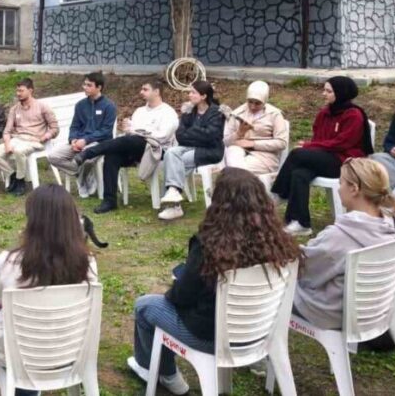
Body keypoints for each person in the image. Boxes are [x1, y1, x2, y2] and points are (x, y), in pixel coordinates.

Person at [126, 168, 301, 395]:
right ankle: (160, 371)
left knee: (145, 305)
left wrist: (178, 285)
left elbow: (182, 296)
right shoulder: (279, 245)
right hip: (261, 331)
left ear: (220, 204)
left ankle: (165, 374)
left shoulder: (209, 245)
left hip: (213, 337)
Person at [0, 185, 97, 395]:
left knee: (1, 303)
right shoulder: (88, 264)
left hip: (19, 352)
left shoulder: (8, 262)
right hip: (70, 351)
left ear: (32, 221)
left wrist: (3, 301)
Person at [293, 158, 395, 329]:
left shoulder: (340, 236)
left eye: (341, 183)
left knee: (274, 285)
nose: (339, 189)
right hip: (376, 310)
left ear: (354, 189)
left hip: (332, 313)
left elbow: (303, 271)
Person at [271, 77, 373, 236]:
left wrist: (309, 147)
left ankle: (280, 193)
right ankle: (301, 223)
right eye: (324, 90)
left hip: (344, 162)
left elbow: (342, 143)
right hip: (325, 158)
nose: (323, 94)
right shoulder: (324, 113)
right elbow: (318, 139)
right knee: (299, 174)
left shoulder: (354, 115)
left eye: (328, 91)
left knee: (297, 153)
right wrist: (312, 147)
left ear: (341, 93)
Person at [76, 79, 176, 215]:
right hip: (135, 148)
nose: (141, 92)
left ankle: (88, 153)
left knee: (132, 140)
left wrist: (138, 131)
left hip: (157, 150)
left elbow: (162, 136)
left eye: (145, 89)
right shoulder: (140, 111)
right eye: (141, 89)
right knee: (112, 155)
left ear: (157, 92)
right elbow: (131, 132)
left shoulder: (168, 112)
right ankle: (109, 200)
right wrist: (129, 129)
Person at [159, 80, 225, 221]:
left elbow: (210, 136)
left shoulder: (216, 112)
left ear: (203, 96)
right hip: (190, 146)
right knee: (170, 153)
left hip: (210, 150)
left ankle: (174, 205)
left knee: (175, 162)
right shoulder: (189, 110)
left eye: (193, 92)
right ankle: (173, 194)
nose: (189, 95)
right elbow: (180, 135)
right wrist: (198, 133)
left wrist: (192, 131)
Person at [47, 72, 117, 200]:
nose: (85, 87)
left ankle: (82, 180)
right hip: (78, 142)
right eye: (84, 84)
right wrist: (73, 139)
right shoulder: (80, 105)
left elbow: (106, 131)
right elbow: (74, 126)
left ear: (99, 87)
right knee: (53, 156)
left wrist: (86, 140)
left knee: (88, 159)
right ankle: (81, 174)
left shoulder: (109, 106)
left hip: (99, 143)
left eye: (89, 85)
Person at [0, 78, 60, 196]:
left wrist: (47, 135)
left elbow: (55, 128)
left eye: (21, 91)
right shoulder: (14, 109)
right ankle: (13, 175)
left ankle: (20, 180)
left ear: (30, 90)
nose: (18, 94)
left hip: (35, 140)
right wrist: (7, 144)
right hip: (17, 139)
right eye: (17, 91)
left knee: (18, 151)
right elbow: (7, 131)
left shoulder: (42, 107)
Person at [222, 81, 289, 176]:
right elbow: (226, 142)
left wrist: (253, 144)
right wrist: (239, 133)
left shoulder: (274, 114)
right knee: (233, 152)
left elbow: (281, 142)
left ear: (265, 101)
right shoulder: (237, 113)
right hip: (238, 151)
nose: (253, 107)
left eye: (257, 103)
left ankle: (236, 177)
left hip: (264, 156)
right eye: (250, 102)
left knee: (235, 171)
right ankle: (239, 178)